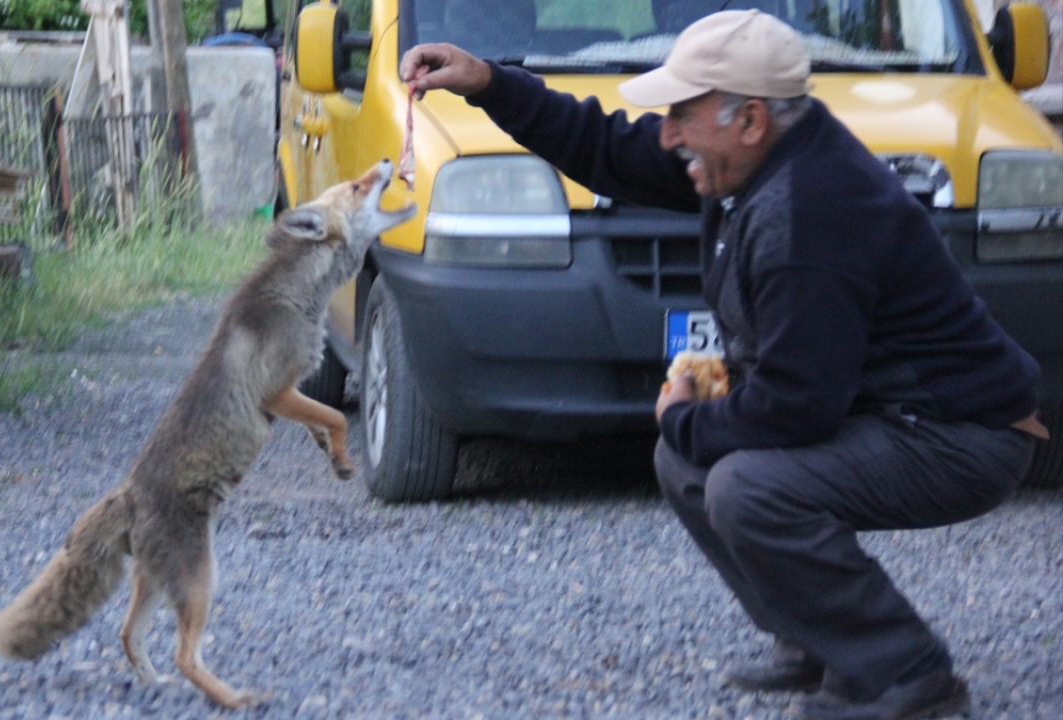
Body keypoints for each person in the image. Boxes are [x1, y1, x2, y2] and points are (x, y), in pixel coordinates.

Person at [400, 10, 1049, 720]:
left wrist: (684, 415)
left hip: (959, 433)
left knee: (745, 483)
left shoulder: (810, 212)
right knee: (689, 464)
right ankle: (818, 638)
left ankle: (906, 672)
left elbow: (798, 407)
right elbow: (605, 147)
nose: (669, 132)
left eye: (683, 112)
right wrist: (489, 83)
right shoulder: (760, 154)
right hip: (895, 412)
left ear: (749, 121)